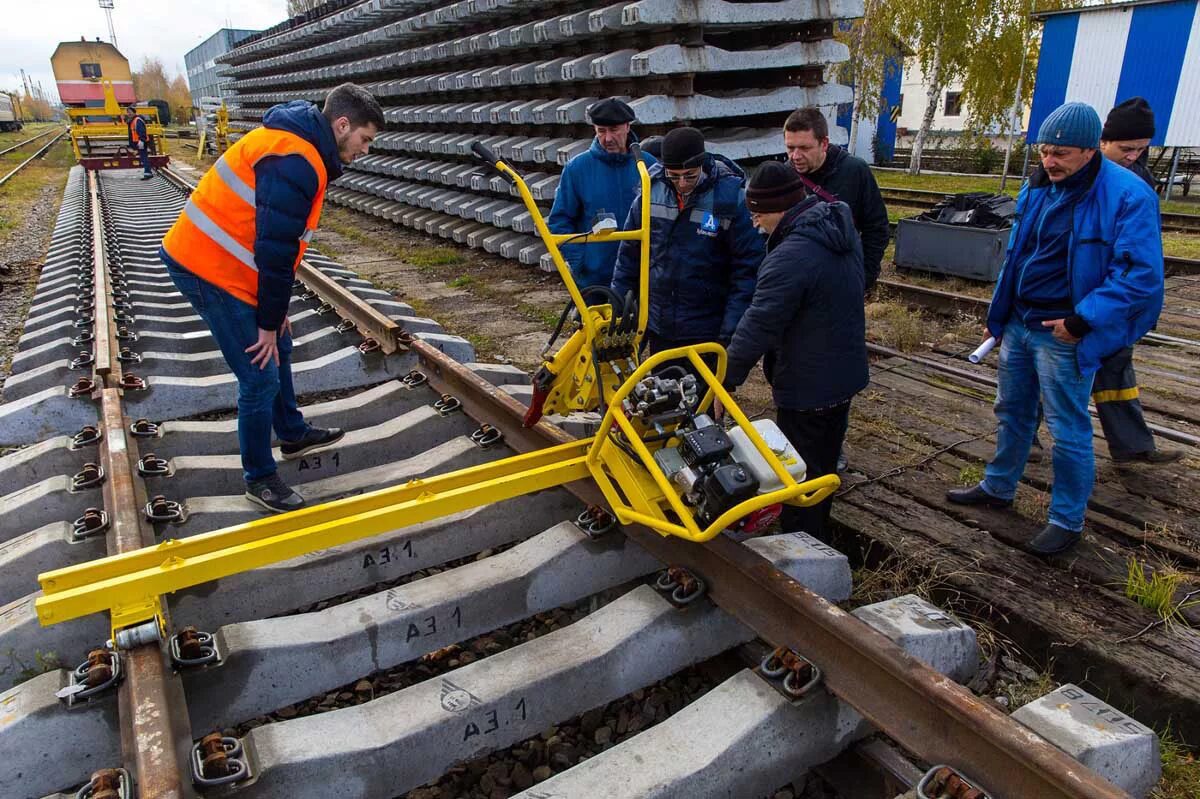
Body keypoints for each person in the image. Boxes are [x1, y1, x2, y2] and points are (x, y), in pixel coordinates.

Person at [947, 102, 1164, 556]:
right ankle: (999, 485)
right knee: (1012, 410)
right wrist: (1001, 312)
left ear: (1090, 151)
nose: (1049, 161)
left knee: (1067, 428)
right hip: (1021, 321)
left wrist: (1082, 320)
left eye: (1060, 153)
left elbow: (1140, 274)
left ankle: (1066, 519)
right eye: (1044, 151)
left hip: (1066, 330)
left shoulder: (1127, 195)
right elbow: (1019, 254)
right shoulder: (1039, 186)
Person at [159, 83, 383, 512]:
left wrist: (272, 315)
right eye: (364, 139)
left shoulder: (298, 145)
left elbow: (277, 244)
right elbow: (274, 251)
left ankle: (292, 432)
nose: (365, 150)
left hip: (224, 258)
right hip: (204, 264)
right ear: (341, 125)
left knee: (279, 341)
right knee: (259, 374)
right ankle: (259, 477)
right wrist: (265, 319)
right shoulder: (296, 159)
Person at [718, 162, 868, 540]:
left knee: (799, 475)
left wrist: (723, 382)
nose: (754, 225)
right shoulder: (838, 227)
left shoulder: (790, 256)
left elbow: (759, 324)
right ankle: (816, 535)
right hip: (841, 373)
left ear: (779, 207)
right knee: (823, 464)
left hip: (807, 384)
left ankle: (800, 548)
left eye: (757, 215)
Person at [610, 126, 763, 355]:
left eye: (690, 175)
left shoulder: (729, 200)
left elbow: (747, 271)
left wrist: (730, 333)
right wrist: (618, 310)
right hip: (659, 324)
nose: (682, 184)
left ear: (703, 164)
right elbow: (629, 257)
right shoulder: (650, 194)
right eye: (674, 176)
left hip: (707, 330)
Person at [1092, 97, 1179, 464]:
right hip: (1087, 291)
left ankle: (1131, 445)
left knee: (1115, 366)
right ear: (1103, 142)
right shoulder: (1083, 176)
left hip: (1121, 294)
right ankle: (1023, 437)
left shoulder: (1139, 179)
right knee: (1054, 367)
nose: (1133, 156)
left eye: (1141, 149)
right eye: (1126, 148)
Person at [546, 98, 656, 289]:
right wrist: (582, 262)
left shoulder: (648, 166)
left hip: (643, 277)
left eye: (614, 130)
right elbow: (560, 221)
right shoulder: (577, 169)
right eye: (601, 131)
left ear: (628, 127)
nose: (607, 138)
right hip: (596, 280)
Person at [782, 107, 888, 290]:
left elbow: (876, 228)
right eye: (790, 148)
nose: (795, 156)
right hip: (798, 283)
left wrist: (863, 278)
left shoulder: (855, 171)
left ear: (824, 144)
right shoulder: (784, 175)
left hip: (842, 281)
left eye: (804, 148)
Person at [125, 106, 152, 180]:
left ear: (134, 112)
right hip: (138, 142)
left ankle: (148, 174)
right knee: (143, 157)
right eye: (127, 112)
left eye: (130, 112)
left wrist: (141, 140)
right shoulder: (133, 120)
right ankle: (148, 172)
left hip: (141, 142)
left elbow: (141, 131)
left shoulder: (137, 120)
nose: (128, 114)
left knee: (144, 157)